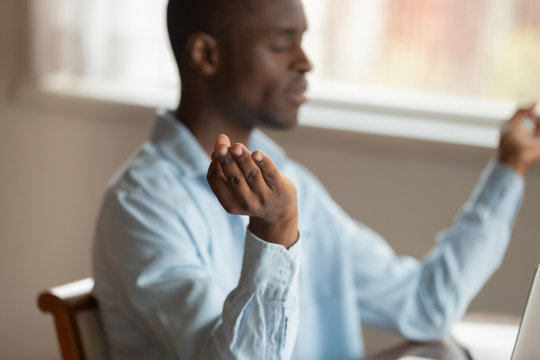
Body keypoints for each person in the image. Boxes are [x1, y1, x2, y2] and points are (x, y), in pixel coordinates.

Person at [92, 0, 540, 358]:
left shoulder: (294, 186)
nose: (305, 62)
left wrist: (510, 168)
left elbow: (426, 306)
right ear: (206, 54)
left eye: (303, 40)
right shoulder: (141, 204)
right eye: (281, 44)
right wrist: (274, 233)